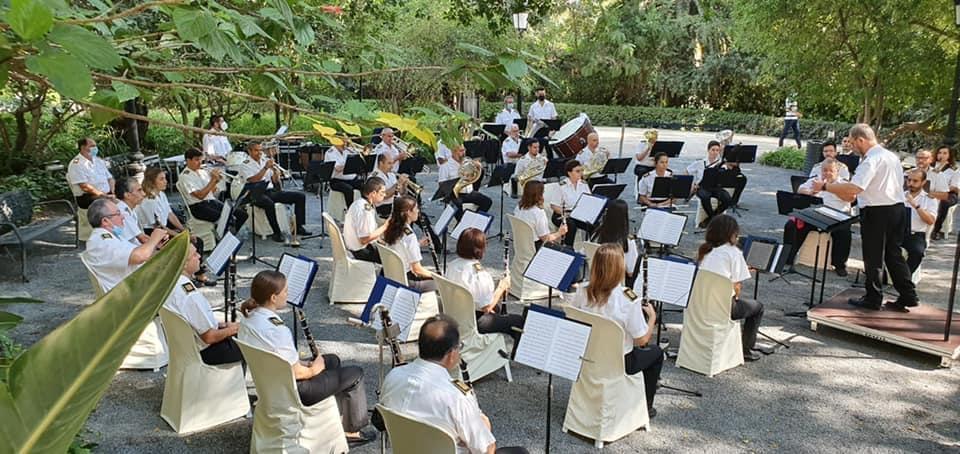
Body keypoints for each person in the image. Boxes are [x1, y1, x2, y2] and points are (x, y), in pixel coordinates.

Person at [238, 270, 374, 446]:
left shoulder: (248, 318)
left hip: (272, 382)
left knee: (332, 360)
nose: (288, 294)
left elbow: (277, 358)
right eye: (285, 291)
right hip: (296, 391)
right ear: (273, 297)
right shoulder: (277, 330)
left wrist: (307, 362)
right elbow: (298, 373)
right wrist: (315, 367)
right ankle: (352, 431)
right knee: (355, 373)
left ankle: (335, 417)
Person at [379, 315, 528, 454]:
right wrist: (484, 425)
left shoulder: (393, 376)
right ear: (451, 354)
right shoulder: (456, 398)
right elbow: (486, 450)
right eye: (459, 346)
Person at [812, 124, 919, 311]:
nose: (851, 147)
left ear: (861, 140)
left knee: (873, 256)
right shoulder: (891, 156)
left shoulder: (871, 160)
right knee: (893, 254)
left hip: (877, 211)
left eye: (853, 143)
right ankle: (908, 295)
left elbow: (854, 188)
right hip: (897, 209)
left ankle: (873, 298)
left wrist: (824, 187)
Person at [569, 244, 662, 417]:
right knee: (656, 353)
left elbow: (573, 320)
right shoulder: (628, 299)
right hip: (619, 362)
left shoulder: (582, 290)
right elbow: (642, 340)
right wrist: (652, 319)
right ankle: (646, 407)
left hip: (586, 356)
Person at [697, 215, 764, 362]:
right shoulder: (734, 253)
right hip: (723, 308)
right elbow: (736, 287)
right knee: (758, 307)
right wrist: (736, 295)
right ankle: (746, 349)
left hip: (700, 304)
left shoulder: (705, 250)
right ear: (732, 234)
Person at [163, 243, 243, 365]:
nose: (199, 256)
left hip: (186, 345)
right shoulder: (190, 295)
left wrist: (222, 325)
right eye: (194, 254)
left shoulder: (170, 282)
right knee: (256, 342)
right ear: (184, 264)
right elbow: (209, 337)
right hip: (207, 351)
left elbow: (195, 321)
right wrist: (234, 328)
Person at [445, 228, 523, 343]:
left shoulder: (452, 265)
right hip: (474, 321)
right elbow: (487, 308)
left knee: (497, 309)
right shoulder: (480, 275)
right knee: (519, 321)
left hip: (455, 315)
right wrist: (502, 287)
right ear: (478, 250)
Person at [139, 167, 214, 286]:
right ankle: (188, 276)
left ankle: (197, 274)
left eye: (165, 178)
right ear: (152, 182)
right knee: (189, 243)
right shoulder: (149, 200)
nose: (166, 181)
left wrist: (184, 230)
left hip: (163, 230)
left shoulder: (161, 195)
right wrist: (181, 235)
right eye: (161, 179)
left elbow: (170, 215)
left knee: (197, 240)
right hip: (153, 234)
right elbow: (158, 226)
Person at [783, 158, 852, 276]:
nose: (827, 173)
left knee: (844, 233)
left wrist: (830, 188)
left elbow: (851, 198)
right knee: (791, 225)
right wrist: (811, 192)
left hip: (835, 216)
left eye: (831, 171)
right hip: (815, 214)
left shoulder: (843, 183)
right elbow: (800, 189)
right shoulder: (816, 180)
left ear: (837, 171)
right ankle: (787, 258)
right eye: (825, 170)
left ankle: (839, 265)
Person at [81, 198, 168, 291]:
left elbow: (137, 254)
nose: (123, 217)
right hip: (131, 290)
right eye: (118, 214)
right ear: (105, 221)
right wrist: (154, 239)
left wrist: (155, 245)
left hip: (138, 282)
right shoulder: (101, 241)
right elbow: (139, 257)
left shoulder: (114, 236)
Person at [235, 141, 311, 243]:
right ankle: (276, 232)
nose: (259, 153)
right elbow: (253, 179)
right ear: (249, 151)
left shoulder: (264, 160)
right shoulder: (245, 164)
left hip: (269, 190)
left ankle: (299, 227)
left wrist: (276, 173)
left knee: (300, 196)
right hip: (254, 193)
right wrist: (265, 168)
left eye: (260, 150)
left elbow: (274, 181)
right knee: (269, 203)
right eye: (256, 150)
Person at [179, 148, 248, 228]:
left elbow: (212, 191)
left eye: (201, 160)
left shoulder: (202, 172)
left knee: (242, 215)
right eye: (197, 160)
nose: (200, 162)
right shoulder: (185, 176)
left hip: (211, 201)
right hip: (198, 206)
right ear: (188, 160)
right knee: (228, 219)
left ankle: (230, 234)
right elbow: (200, 196)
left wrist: (216, 180)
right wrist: (213, 180)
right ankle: (223, 234)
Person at [383, 196, 437, 293]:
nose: (418, 211)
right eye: (416, 208)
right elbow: (417, 270)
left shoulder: (392, 228)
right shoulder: (410, 236)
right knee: (440, 285)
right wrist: (437, 276)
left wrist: (418, 244)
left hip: (392, 274)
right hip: (406, 280)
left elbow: (401, 247)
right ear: (408, 212)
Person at [591, 199, 641, 287]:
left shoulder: (596, 234)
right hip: (618, 285)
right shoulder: (628, 242)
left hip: (597, 280)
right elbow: (631, 272)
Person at [343, 177, 389, 264]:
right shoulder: (365, 211)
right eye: (382, 193)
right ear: (373, 193)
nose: (385, 195)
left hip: (355, 247)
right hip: (360, 251)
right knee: (393, 259)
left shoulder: (358, 202)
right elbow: (364, 239)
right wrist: (385, 226)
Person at [688, 140, 733, 227]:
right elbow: (687, 171)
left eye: (717, 150)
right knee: (705, 197)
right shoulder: (700, 162)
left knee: (727, 199)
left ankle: (710, 219)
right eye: (713, 150)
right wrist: (693, 184)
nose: (715, 152)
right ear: (708, 150)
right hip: (702, 187)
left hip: (716, 187)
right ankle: (713, 219)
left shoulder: (721, 163)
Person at [439, 144, 493, 215]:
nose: (464, 153)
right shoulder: (445, 166)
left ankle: (474, 217)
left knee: (488, 202)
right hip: (454, 194)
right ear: (453, 152)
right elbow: (441, 184)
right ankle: (463, 220)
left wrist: (478, 167)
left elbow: (476, 176)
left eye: (464, 150)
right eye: (461, 151)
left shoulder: (468, 162)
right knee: (457, 207)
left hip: (469, 192)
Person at [903, 169, 937, 275]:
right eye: (909, 180)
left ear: (923, 182)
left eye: (915, 181)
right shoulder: (899, 195)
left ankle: (904, 279)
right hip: (897, 232)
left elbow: (930, 221)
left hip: (915, 235)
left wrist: (915, 205)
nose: (911, 183)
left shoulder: (929, 199)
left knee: (917, 252)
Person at [549, 160, 591, 247]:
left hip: (579, 214)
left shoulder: (584, 184)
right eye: (577, 171)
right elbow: (554, 206)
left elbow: (589, 200)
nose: (581, 173)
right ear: (569, 173)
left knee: (595, 223)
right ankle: (568, 248)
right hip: (562, 214)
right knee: (571, 225)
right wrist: (566, 213)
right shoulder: (561, 186)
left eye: (581, 171)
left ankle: (591, 246)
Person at [513, 180, 567, 247]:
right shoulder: (538, 213)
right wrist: (559, 233)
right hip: (536, 247)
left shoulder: (518, 207)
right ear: (539, 195)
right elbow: (546, 239)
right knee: (568, 250)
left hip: (521, 245)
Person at [67, 137, 115, 209]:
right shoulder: (76, 164)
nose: (95, 148)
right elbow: (84, 187)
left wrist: (113, 191)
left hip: (106, 194)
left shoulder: (98, 160)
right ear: (83, 147)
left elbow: (110, 178)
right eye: (92, 146)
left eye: (95, 146)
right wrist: (103, 195)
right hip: (89, 197)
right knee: (113, 205)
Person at [930, 145, 959, 240]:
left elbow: (955, 187)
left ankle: (936, 230)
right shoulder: (931, 165)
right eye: (939, 153)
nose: (941, 155)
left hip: (949, 193)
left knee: (944, 202)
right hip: (932, 190)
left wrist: (941, 189)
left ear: (949, 155)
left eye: (945, 153)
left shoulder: (954, 169)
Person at [324, 141, 364, 207]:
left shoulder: (347, 151)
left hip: (351, 179)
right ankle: (350, 210)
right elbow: (338, 168)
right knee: (348, 189)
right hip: (337, 180)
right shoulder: (330, 152)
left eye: (345, 142)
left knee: (364, 186)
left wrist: (359, 155)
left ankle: (364, 207)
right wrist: (350, 163)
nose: (345, 144)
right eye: (342, 142)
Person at [372, 153, 408, 219]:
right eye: (389, 163)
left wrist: (404, 185)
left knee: (414, 207)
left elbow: (402, 193)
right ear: (381, 163)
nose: (392, 166)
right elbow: (384, 196)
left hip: (396, 203)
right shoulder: (375, 177)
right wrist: (398, 183)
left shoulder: (392, 174)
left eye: (392, 163)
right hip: (384, 207)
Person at [115, 177, 149, 244]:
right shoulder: (123, 212)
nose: (144, 194)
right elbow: (143, 239)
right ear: (127, 195)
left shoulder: (129, 209)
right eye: (139, 190)